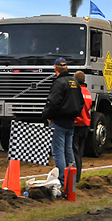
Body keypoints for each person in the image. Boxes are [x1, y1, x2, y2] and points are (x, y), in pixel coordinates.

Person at [42, 58, 84, 188]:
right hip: (71, 122)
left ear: (56, 69)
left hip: (58, 122)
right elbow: (81, 103)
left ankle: (61, 181)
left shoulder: (59, 83)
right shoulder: (74, 83)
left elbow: (52, 102)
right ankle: (72, 180)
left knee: (58, 152)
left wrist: (47, 116)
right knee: (69, 151)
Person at [72, 71, 92, 183]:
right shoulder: (87, 92)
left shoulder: (76, 92)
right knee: (79, 153)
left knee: (74, 153)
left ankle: (74, 178)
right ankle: (78, 177)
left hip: (76, 125)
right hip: (85, 125)